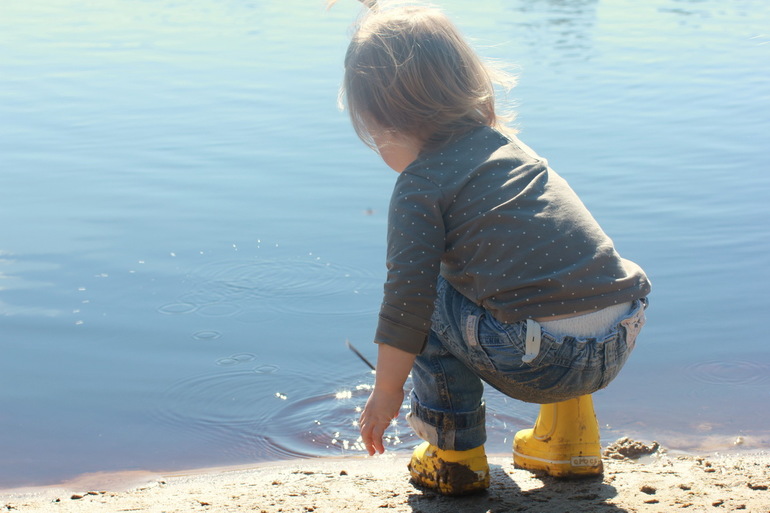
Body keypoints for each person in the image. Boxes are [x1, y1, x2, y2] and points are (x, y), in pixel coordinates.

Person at [337, 1, 651, 495]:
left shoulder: (420, 186)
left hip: (542, 360)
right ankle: (570, 441)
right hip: (617, 337)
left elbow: (405, 305)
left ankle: (455, 456)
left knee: (428, 298)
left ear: (383, 121)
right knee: (550, 279)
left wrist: (386, 391)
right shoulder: (510, 149)